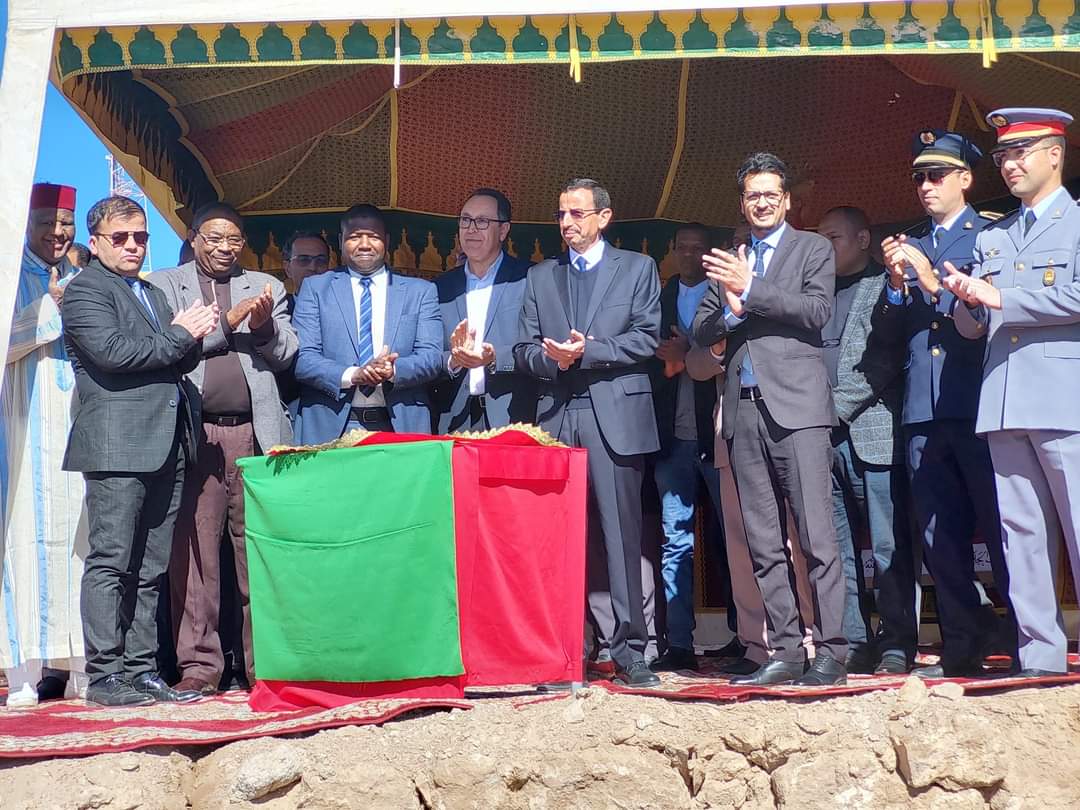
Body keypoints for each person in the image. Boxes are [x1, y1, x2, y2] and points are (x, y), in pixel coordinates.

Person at [693, 152, 847, 686]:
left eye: (770, 195)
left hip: (798, 410)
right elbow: (701, 330)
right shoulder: (731, 259)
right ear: (743, 203)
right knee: (762, 540)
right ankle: (784, 650)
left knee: (815, 536)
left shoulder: (812, 248)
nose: (761, 203)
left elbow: (816, 311)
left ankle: (831, 650)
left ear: (786, 202)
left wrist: (751, 289)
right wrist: (731, 309)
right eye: (752, 195)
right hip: (743, 410)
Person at [62, 195, 219, 706]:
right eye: (121, 237)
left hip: (166, 441)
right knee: (112, 561)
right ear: (96, 242)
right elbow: (114, 354)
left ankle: (141, 669)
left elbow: (176, 357)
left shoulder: (151, 292)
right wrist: (180, 334)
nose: (133, 246)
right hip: (116, 445)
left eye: (141, 237)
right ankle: (105, 675)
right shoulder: (85, 290)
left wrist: (195, 333)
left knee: (151, 566)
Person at [875, 129, 1016, 678]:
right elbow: (888, 337)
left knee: (1002, 527)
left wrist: (932, 282)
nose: (926, 186)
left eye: (936, 175)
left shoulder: (992, 236)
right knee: (939, 535)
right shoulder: (911, 241)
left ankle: (1026, 641)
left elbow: (985, 320)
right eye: (919, 177)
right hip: (922, 407)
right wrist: (895, 285)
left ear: (965, 179)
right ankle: (961, 644)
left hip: (976, 400)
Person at [946, 107, 1080, 677]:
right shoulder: (995, 234)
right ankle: (1040, 655)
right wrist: (965, 301)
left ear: (1055, 153)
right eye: (1003, 155)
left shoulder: (1076, 224)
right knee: (1020, 534)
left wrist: (1003, 299)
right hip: (1004, 397)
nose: (1009, 164)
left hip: (1064, 396)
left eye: (1020, 152)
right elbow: (972, 327)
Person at [515, 178, 661, 688]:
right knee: (559, 537)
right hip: (557, 415)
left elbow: (646, 337)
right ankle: (565, 653)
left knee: (621, 536)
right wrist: (554, 360)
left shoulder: (637, 268)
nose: (567, 223)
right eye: (561, 214)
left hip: (614, 416)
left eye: (577, 213)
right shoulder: (541, 276)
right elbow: (523, 349)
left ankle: (631, 652)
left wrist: (588, 351)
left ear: (604, 217)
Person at [149, 202, 298, 695]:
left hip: (256, 434)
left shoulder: (265, 285)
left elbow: (287, 355)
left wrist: (264, 328)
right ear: (194, 238)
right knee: (195, 554)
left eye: (233, 240)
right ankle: (199, 666)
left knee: (259, 552)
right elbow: (169, 349)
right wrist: (227, 324)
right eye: (214, 238)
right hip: (197, 434)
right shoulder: (165, 286)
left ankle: (266, 664)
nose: (224, 248)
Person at [818, 206, 916, 675]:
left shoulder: (887, 286)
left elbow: (886, 359)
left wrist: (833, 408)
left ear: (862, 239)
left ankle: (897, 642)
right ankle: (854, 641)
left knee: (887, 546)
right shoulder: (815, 292)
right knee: (836, 549)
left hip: (873, 432)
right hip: (821, 438)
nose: (824, 247)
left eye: (833, 237)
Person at [1, 183, 87, 708]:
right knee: (21, 541)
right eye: (46, 223)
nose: (57, 233)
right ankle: (22, 674)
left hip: (75, 427)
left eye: (65, 224)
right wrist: (48, 308)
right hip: (23, 427)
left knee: (78, 541)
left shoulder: (85, 280)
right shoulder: (8, 275)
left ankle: (78, 667)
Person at [646, 223, 729, 672]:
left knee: (732, 537)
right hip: (671, 439)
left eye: (699, 249)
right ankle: (678, 643)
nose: (690, 255)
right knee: (675, 540)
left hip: (717, 435)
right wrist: (672, 360)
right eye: (683, 248)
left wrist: (688, 351)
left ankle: (744, 638)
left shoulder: (725, 294)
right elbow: (646, 354)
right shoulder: (657, 298)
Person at [293, 204, 442, 442]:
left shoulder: (420, 291)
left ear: (387, 241)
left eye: (373, 237)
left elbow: (432, 357)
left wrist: (393, 371)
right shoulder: (316, 289)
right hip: (332, 427)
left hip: (399, 426)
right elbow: (303, 359)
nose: (364, 244)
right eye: (354, 237)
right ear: (341, 241)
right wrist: (354, 375)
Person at [432, 189, 535, 433]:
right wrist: (453, 360)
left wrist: (495, 357)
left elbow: (538, 346)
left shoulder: (529, 278)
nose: (471, 229)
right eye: (465, 220)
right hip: (454, 418)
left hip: (512, 415)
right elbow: (427, 353)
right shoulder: (440, 287)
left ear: (503, 230)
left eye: (482, 221)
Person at [282, 230, 331, 295]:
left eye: (320, 260)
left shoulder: (342, 300)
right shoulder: (279, 301)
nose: (312, 268)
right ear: (288, 269)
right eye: (304, 260)